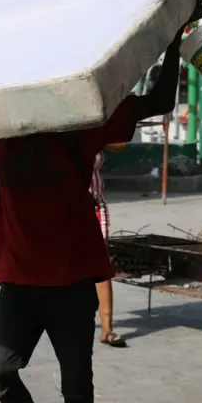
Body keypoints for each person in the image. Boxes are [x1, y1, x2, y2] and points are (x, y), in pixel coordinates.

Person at [0, 0, 202, 403]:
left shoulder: (79, 126)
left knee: (77, 381)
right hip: (18, 280)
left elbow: (157, 103)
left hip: (71, 279)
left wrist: (176, 40)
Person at [93, 145, 127, 348]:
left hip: (94, 204)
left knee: (102, 265)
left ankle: (107, 329)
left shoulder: (94, 131)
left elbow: (120, 143)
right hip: (66, 206)